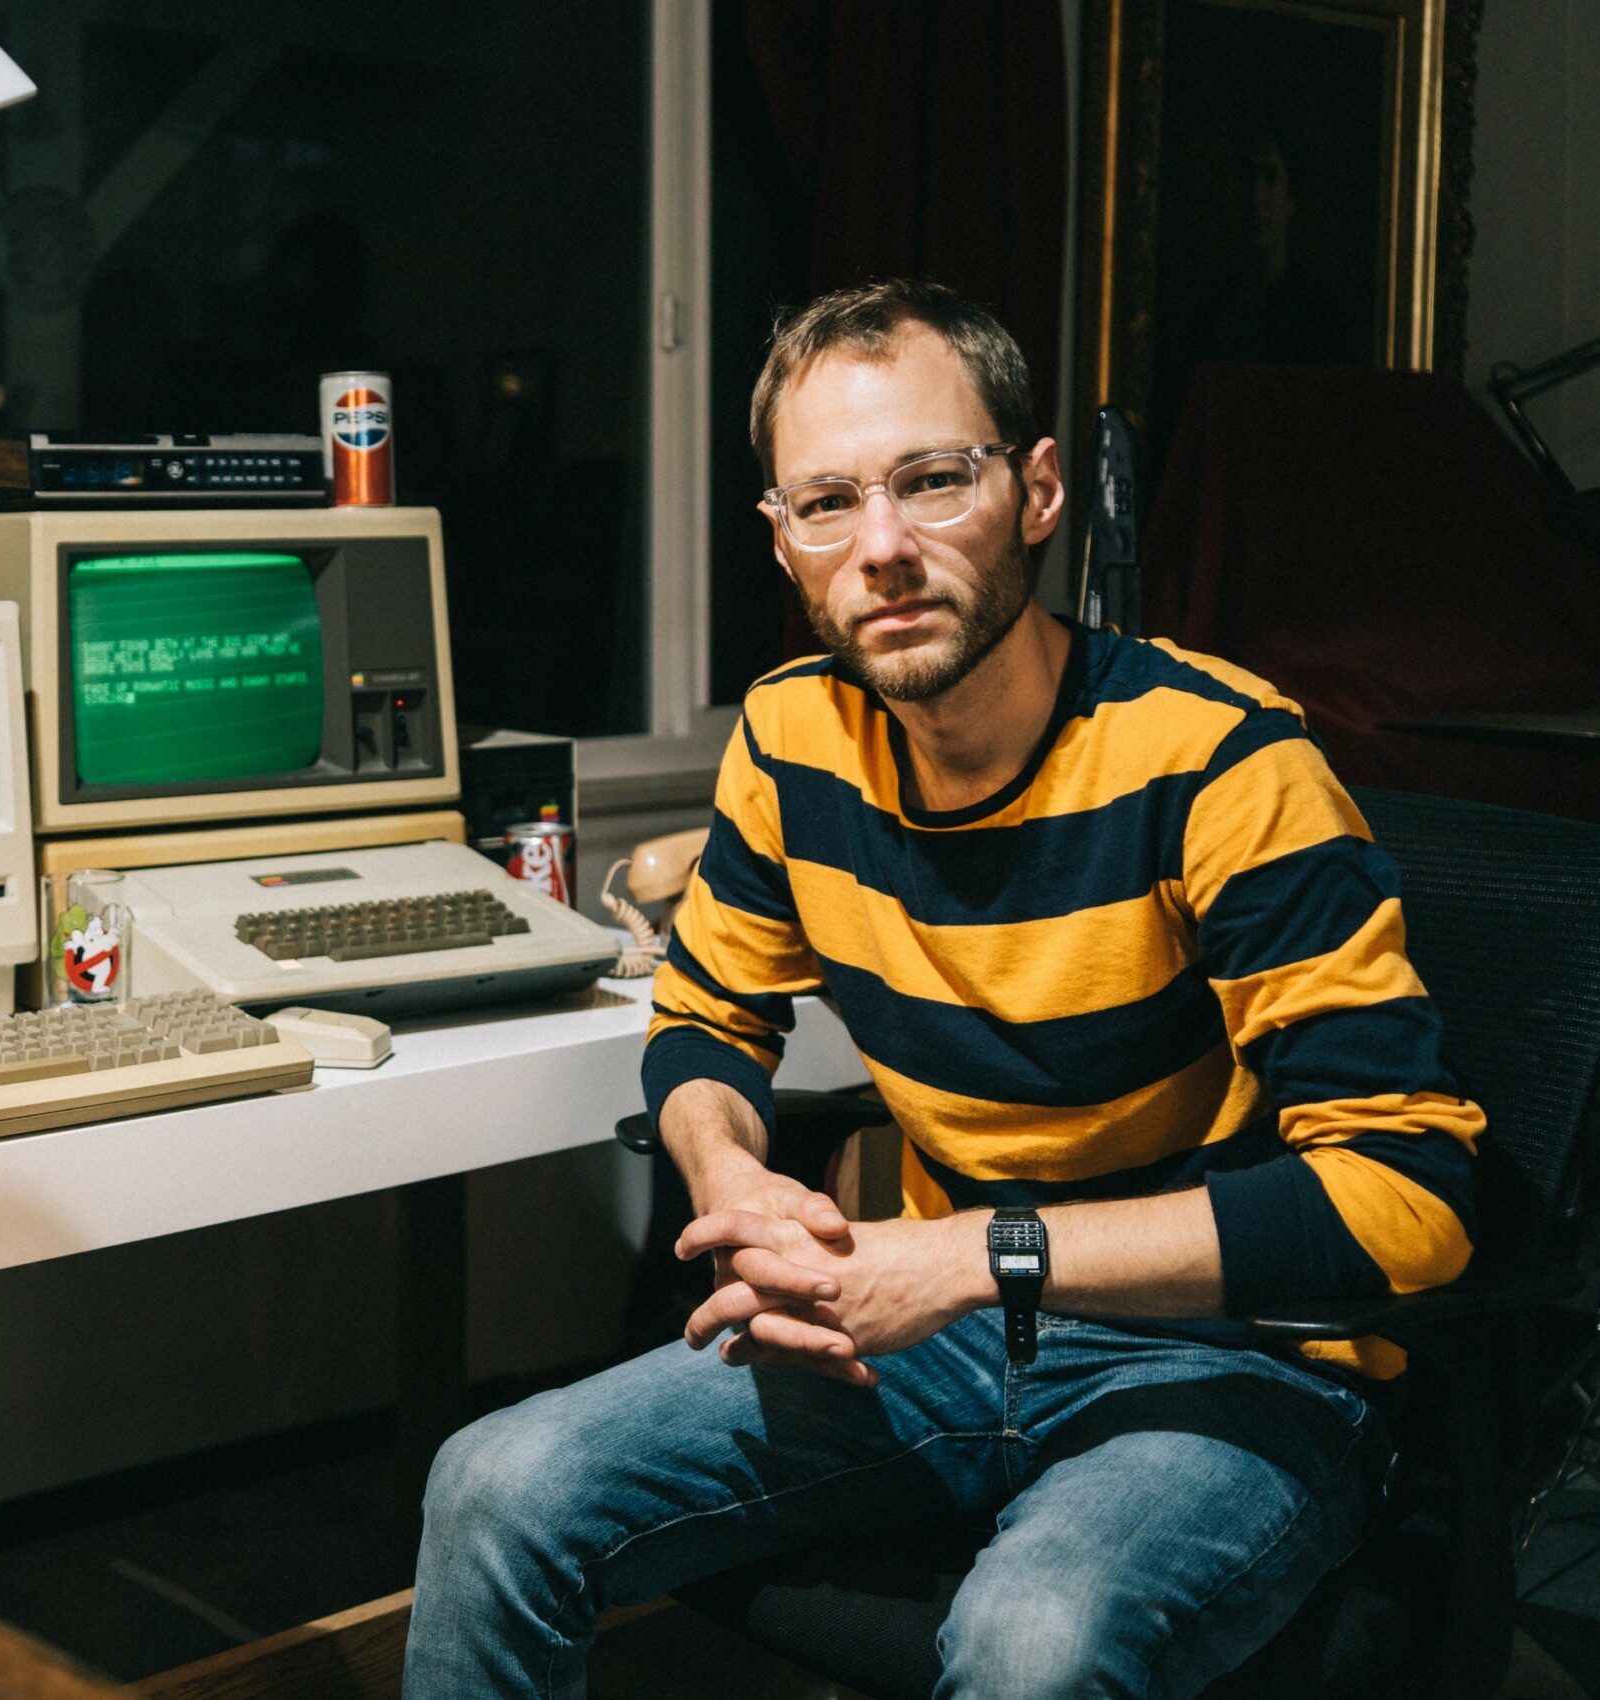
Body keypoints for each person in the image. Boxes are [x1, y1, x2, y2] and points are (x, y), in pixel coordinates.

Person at [403, 279, 1482, 1699]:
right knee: (493, 1480)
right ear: (781, 542)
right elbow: (709, 1021)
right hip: (933, 1342)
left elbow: (1409, 1201)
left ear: (1034, 492)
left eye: (932, 481)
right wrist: (724, 1171)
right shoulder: (794, 738)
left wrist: (979, 1255)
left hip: (1234, 1364)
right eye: (828, 503)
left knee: (1032, 1642)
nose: (884, 549)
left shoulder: (1222, 763)